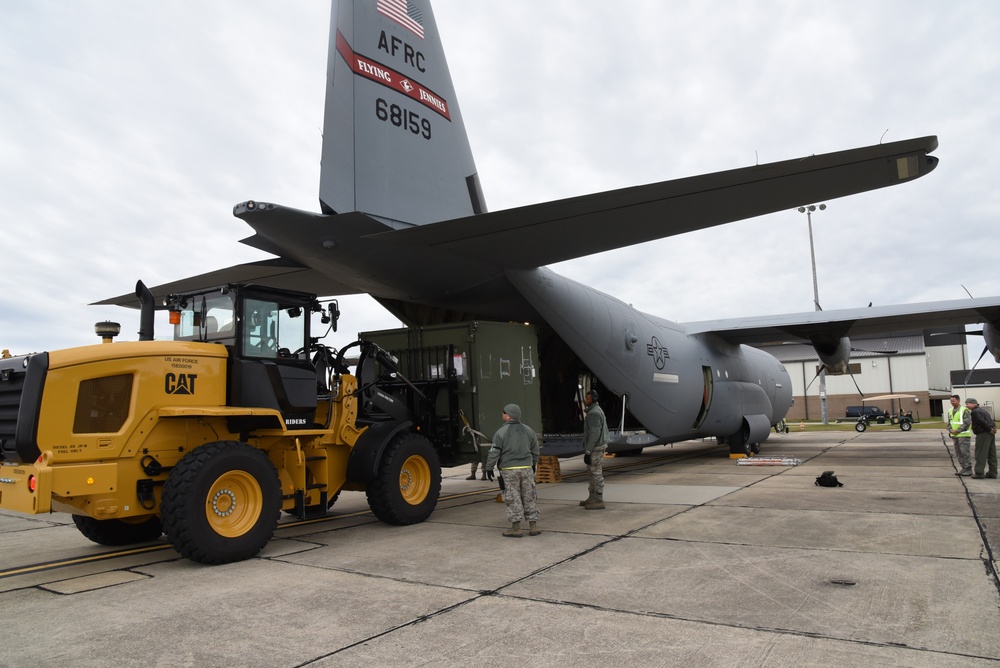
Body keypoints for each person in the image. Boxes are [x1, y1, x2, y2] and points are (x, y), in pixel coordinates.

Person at [485, 403, 541, 537]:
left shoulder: (501, 432)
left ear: (508, 415)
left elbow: (494, 452)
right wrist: (533, 462)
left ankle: (516, 528)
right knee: (529, 496)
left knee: (512, 497)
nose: (502, 414)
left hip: (509, 469)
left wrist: (489, 467)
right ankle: (533, 526)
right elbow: (536, 449)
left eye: (503, 412)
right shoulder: (529, 430)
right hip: (527, 468)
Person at [580, 389, 610, 510]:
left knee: (596, 472)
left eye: (587, 398)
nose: (585, 400)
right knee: (591, 472)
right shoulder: (594, 411)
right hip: (595, 446)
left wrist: (588, 451)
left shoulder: (594, 414)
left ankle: (599, 499)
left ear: (594, 400)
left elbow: (594, 434)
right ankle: (592, 496)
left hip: (595, 447)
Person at [966, 398, 997, 479]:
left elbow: (981, 421)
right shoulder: (983, 410)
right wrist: (993, 428)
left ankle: (979, 472)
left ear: (973, 404)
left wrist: (989, 429)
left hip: (983, 434)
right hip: (990, 434)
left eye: (968, 404)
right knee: (991, 453)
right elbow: (990, 420)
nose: (967, 406)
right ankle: (993, 472)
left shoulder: (975, 412)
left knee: (980, 453)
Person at [948, 394, 973, 476]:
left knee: (965, 452)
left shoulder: (964, 410)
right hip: (955, 436)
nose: (952, 402)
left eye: (953, 401)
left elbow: (967, 422)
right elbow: (950, 423)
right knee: (958, 452)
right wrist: (950, 429)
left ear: (958, 401)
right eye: (951, 401)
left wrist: (958, 430)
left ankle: (968, 468)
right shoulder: (950, 411)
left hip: (963, 435)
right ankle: (963, 467)